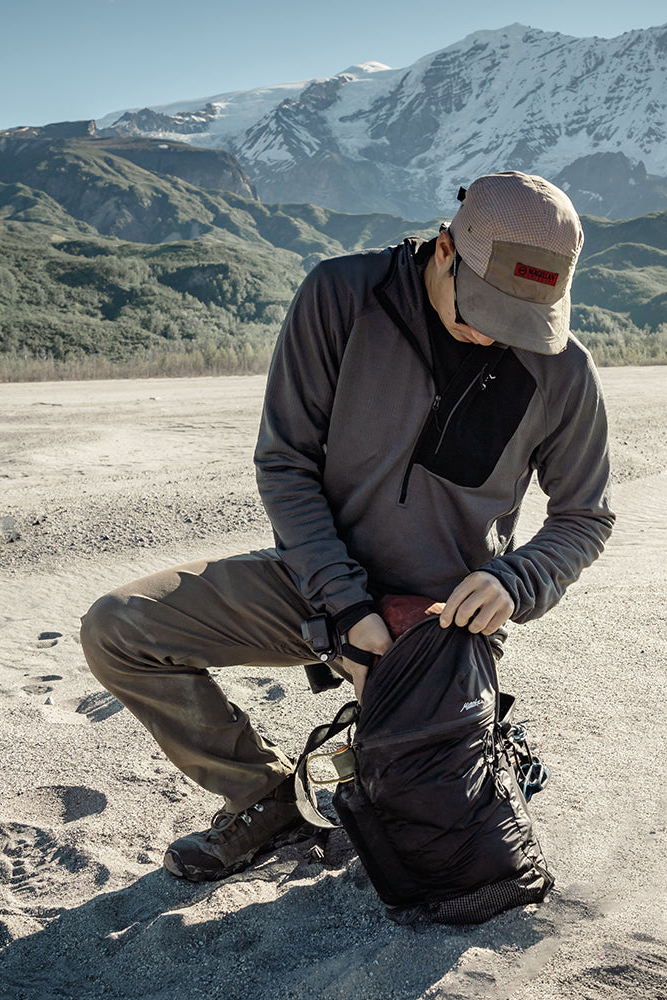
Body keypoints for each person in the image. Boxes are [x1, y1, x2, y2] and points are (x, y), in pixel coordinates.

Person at [80, 170, 615, 883]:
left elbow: (585, 516)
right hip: (315, 580)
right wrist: (346, 607)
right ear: (446, 252)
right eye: (484, 312)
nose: (495, 337)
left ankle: (482, 737)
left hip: (441, 624)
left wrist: (513, 580)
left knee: (441, 849)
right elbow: (286, 464)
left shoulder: (564, 370)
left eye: (521, 322)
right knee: (119, 627)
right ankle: (268, 800)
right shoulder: (340, 298)